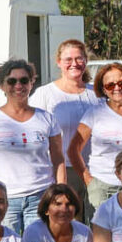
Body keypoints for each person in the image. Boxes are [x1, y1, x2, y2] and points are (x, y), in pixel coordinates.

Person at [0, 59, 65, 234]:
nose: (18, 85)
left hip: (41, 196)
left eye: (24, 80)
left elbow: (58, 159)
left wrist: (61, 194)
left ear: (31, 83)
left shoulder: (47, 118)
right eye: (12, 81)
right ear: (2, 86)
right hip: (2, 199)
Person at [69, 62, 122, 215]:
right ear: (103, 89)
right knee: (101, 238)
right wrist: (89, 180)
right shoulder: (94, 113)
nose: (117, 88)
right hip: (102, 187)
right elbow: (73, 150)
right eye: (110, 85)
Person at [29, 39, 97, 217]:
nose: (74, 63)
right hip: (62, 169)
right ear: (58, 62)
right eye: (68, 59)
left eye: (79, 58)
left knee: (95, 222)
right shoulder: (45, 94)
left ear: (86, 61)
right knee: (66, 223)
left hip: (95, 169)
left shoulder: (97, 93)